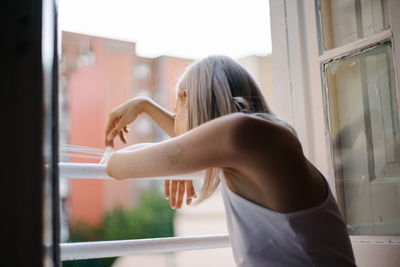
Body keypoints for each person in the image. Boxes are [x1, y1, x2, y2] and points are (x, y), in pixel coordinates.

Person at [104, 55, 356, 266]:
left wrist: (175, 160)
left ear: (186, 97)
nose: (178, 125)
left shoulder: (240, 134)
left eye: (176, 109)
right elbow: (190, 135)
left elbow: (118, 165)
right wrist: (145, 106)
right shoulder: (258, 139)